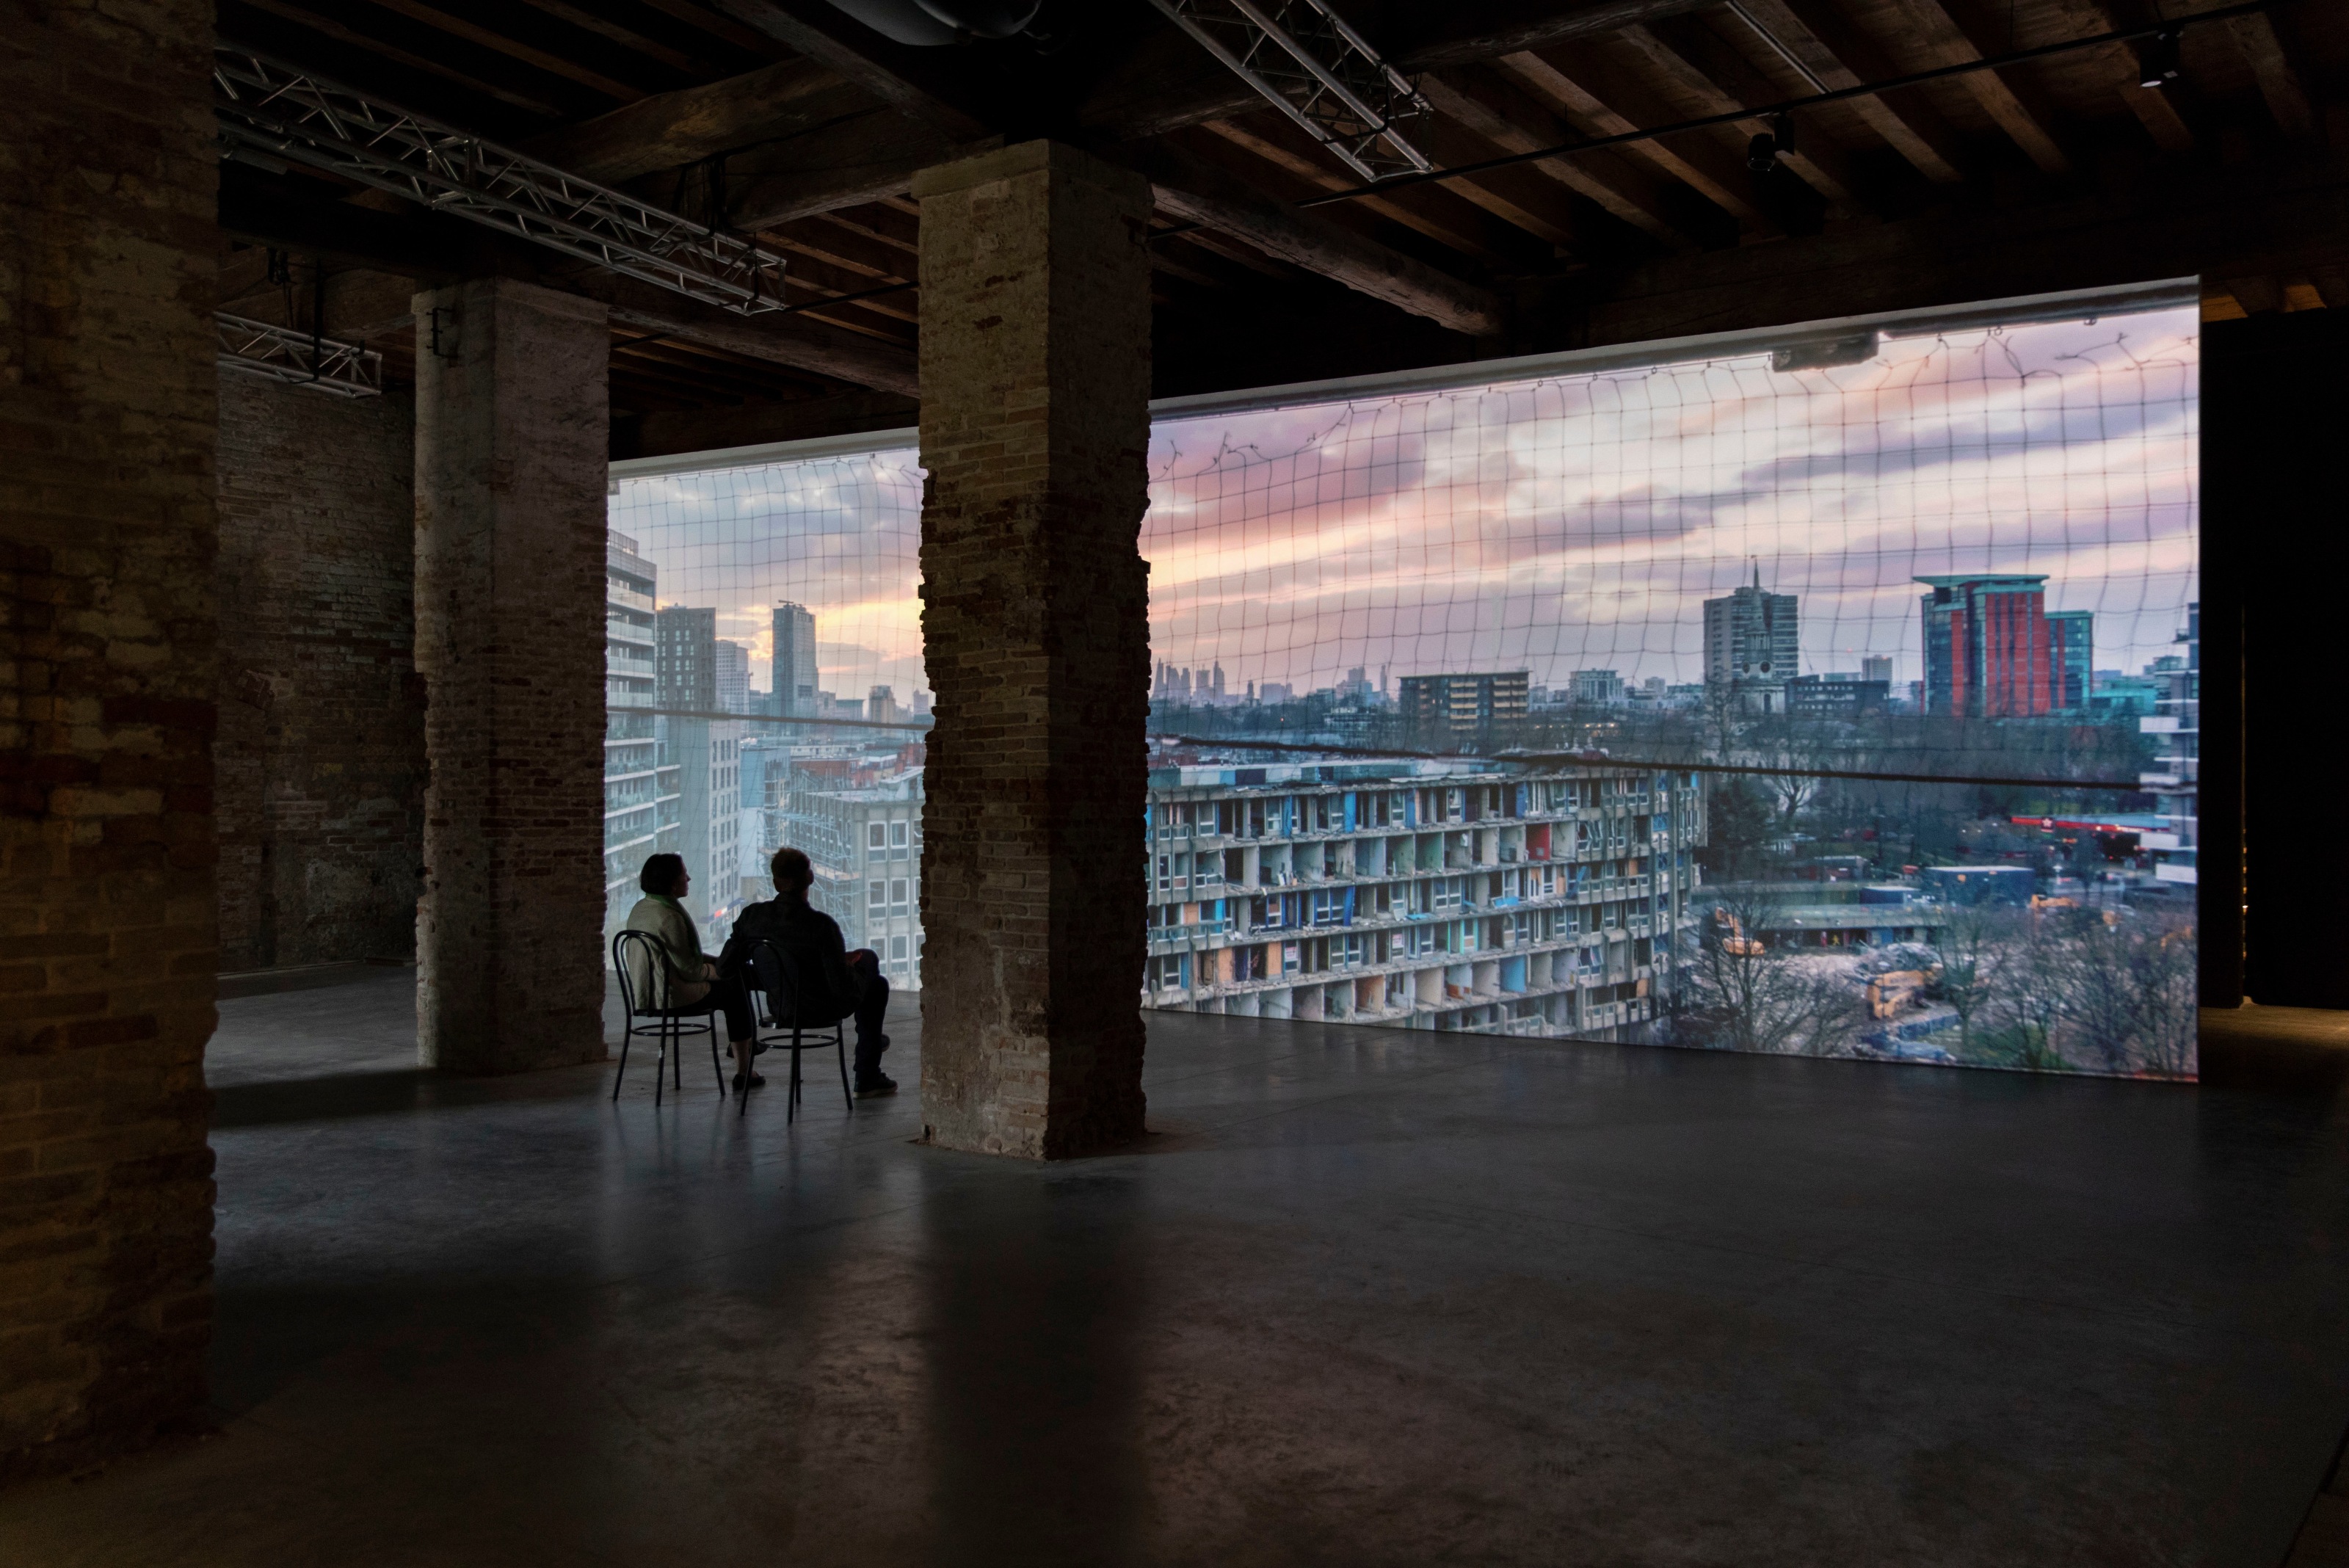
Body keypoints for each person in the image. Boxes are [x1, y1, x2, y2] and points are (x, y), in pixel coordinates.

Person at [719, 846, 895, 1096]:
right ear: (810, 878)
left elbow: (726, 966)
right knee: (874, 975)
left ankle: (871, 1046)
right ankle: (867, 1070)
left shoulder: (752, 918)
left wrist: (772, 971)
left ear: (775, 882)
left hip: (779, 1007)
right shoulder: (821, 926)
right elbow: (841, 991)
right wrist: (849, 967)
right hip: (818, 1009)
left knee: (867, 966)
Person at [622, 853, 763, 1092]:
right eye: (683, 874)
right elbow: (691, 970)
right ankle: (744, 1065)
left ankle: (743, 1045)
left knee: (738, 975)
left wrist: (721, 963)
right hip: (669, 996)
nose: (688, 878)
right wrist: (722, 970)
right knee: (735, 985)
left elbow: (680, 956)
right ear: (672, 882)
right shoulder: (669, 917)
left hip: (648, 992)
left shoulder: (643, 907)